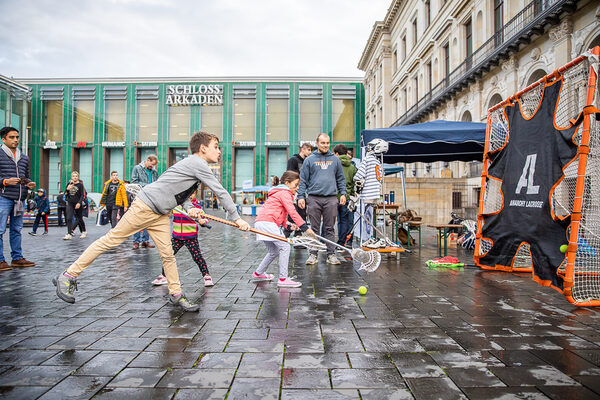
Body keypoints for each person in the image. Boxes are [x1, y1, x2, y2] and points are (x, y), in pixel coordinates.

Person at [52, 131, 250, 312]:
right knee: (111, 240)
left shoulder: (193, 166)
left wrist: (191, 210)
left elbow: (182, 194)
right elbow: (220, 191)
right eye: (216, 146)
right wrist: (237, 218)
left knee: (168, 255)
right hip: (145, 207)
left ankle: (176, 294)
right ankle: (68, 276)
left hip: (160, 214)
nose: (219, 151)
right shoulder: (198, 163)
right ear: (203, 148)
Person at [253, 171, 315, 287]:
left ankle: (258, 273)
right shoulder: (285, 193)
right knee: (285, 246)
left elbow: (280, 213)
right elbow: (292, 212)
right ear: (287, 183)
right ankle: (282, 279)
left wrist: (288, 225)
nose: (297, 188)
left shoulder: (279, 193)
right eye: (295, 185)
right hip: (268, 223)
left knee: (274, 251)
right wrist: (305, 228)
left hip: (263, 222)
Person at [297, 133, 347, 265]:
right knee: (313, 228)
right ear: (317, 143)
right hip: (313, 198)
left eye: (327, 143)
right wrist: (301, 196)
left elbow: (341, 179)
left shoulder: (335, 160)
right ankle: (313, 255)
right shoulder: (309, 160)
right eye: (323, 143)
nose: (325, 145)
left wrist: (343, 193)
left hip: (331, 198)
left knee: (330, 228)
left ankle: (331, 255)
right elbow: (303, 181)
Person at [152, 191, 214, 287]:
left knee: (197, 257)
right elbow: (167, 213)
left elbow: (203, 218)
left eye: (192, 194)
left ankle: (206, 276)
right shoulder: (176, 206)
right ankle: (164, 276)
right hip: (176, 237)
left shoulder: (196, 208)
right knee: (168, 255)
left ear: (195, 194)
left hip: (190, 237)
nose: (189, 196)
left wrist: (202, 221)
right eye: (188, 194)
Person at [0, 127, 36, 270]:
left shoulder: (23, 157)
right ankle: (1, 260)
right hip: (3, 197)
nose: (15, 140)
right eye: (12, 137)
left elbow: (25, 176)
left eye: (17, 137)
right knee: (0, 230)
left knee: (16, 229)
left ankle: (17, 258)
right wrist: (4, 181)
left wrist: (28, 183)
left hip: (19, 199)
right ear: (3, 139)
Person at [283, 143, 313, 238]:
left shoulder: (307, 161)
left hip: (303, 190)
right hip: (295, 190)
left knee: (302, 213)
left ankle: (298, 237)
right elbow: (289, 175)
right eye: (308, 150)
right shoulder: (293, 160)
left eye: (310, 150)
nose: (310, 152)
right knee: (293, 213)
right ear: (302, 149)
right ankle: (285, 236)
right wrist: (294, 190)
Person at [131, 155, 159, 249]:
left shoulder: (154, 172)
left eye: (154, 165)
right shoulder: (137, 168)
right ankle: (136, 241)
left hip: (151, 198)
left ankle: (145, 241)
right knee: (138, 220)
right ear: (147, 160)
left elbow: (157, 183)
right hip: (140, 197)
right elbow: (134, 182)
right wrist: (148, 186)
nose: (152, 167)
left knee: (148, 220)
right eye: (152, 165)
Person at [333, 144, 357, 248]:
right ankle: (344, 242)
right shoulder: (352, 167)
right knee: (346, 221)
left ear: (336, 153)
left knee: (330, 221)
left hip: (333, 196)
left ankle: (326, 243)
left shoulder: (333, 165)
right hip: (347, 197)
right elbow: (355, 183)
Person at [63, 171, 87, 240]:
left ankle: (84, 231)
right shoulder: (69, 184)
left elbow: (83, 195)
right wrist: (67, 189)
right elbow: (65, 193)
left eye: (76, 176)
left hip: (77, 203)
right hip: (70, 203)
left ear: (78, 177)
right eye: (73, 176)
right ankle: (69, 233)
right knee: (69, 218)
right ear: (71, 177)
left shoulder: (80, 185)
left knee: (79, 218)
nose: (75, 177)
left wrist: (79, 203)